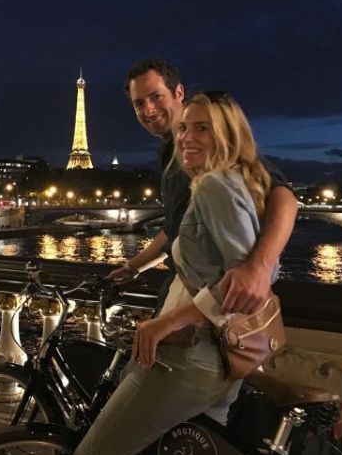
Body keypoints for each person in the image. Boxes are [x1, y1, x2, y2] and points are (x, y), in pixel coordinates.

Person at [71, 92, 279, 455]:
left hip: (192, 354)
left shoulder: (215, 186)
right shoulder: (238, 183)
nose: (186, 137)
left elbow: (244, 284)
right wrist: (135, 266)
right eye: (184, 128)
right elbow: (255, 269)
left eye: (203, 128)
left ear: (228, 135)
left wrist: (166, 323)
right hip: (224, 359)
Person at [109, 59, 296, 316]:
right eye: (139, 103)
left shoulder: (210, 151)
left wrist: (259, 269)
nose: (148, 110)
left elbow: (283, 195)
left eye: (156, 97)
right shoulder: (172, 151)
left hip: (205, 305)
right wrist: (133, 268)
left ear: (179, 93)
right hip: (185, 293)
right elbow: (174, 228)